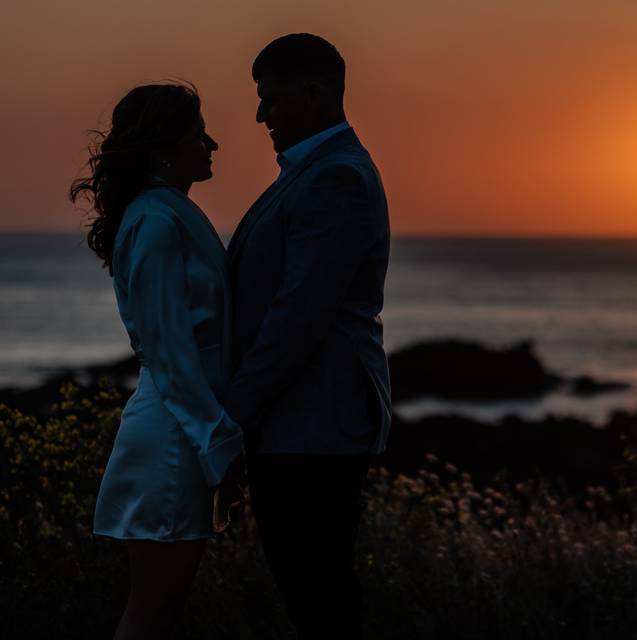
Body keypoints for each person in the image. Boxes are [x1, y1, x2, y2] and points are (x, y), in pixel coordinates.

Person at [225, 33, 392, 639]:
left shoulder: (335, 179)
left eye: (270, 99)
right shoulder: (309, 173)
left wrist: (232, 416)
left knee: (319, 598)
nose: (260, 115)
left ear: (315, 96)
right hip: (300, 423)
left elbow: (300, 315)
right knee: (311, 595)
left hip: (315, 425)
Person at [71, 83, 244, 640]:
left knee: (165, 614)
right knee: (151, 613)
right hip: (174, 437)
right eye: (199, 134)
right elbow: (171, 352)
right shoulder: (155, 221)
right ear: (164, 149)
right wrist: (220, 442)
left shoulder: (170, 212)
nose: (212, 144)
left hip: (185, 430)